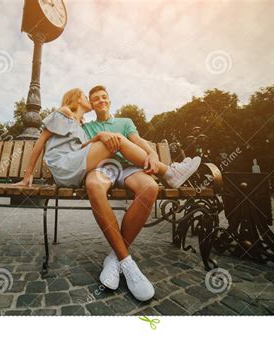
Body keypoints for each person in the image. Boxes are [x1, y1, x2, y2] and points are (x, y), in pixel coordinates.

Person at [14, 87, 200, 301]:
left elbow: (135, 143)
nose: (98, 100)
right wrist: (28, 175)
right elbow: (60, 144)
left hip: (128, 168)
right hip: (101, 168)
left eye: (103, 97)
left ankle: (117, 258)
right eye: (92, 98)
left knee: (150, 187)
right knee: (104, 164)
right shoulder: (77, 120)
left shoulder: (115, 122)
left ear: (110, 100)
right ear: (88, 104)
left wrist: (151, 153)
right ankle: (170, 172)